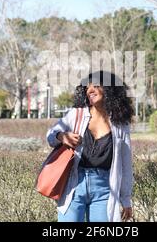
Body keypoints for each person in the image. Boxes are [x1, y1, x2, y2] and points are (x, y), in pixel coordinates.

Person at [46, 70, 134, 222]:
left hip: (105, 188)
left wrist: (126, 200)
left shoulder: (120, 124)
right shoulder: (76, 115)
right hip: (74, 185)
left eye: (96, 86)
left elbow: (125, 163)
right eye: (88, 87)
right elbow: (50, 135)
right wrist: (62, 136)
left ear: (110, 90)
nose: (90, 90)